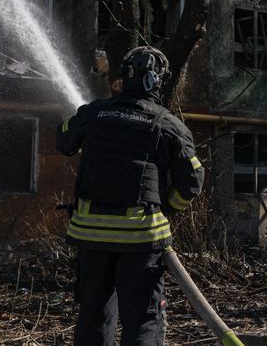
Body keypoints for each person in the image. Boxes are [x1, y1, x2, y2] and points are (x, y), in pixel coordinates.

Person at [57, 46, 204, 346]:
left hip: (91, 236)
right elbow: (193, 180)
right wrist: (166, 209)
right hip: (140, 240)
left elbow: (63, 140)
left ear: (124, 77)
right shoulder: (168, 125)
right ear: (159, 82)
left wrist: (84, 129)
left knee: (93, 316)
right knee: (143, 320)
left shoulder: (94, 113)